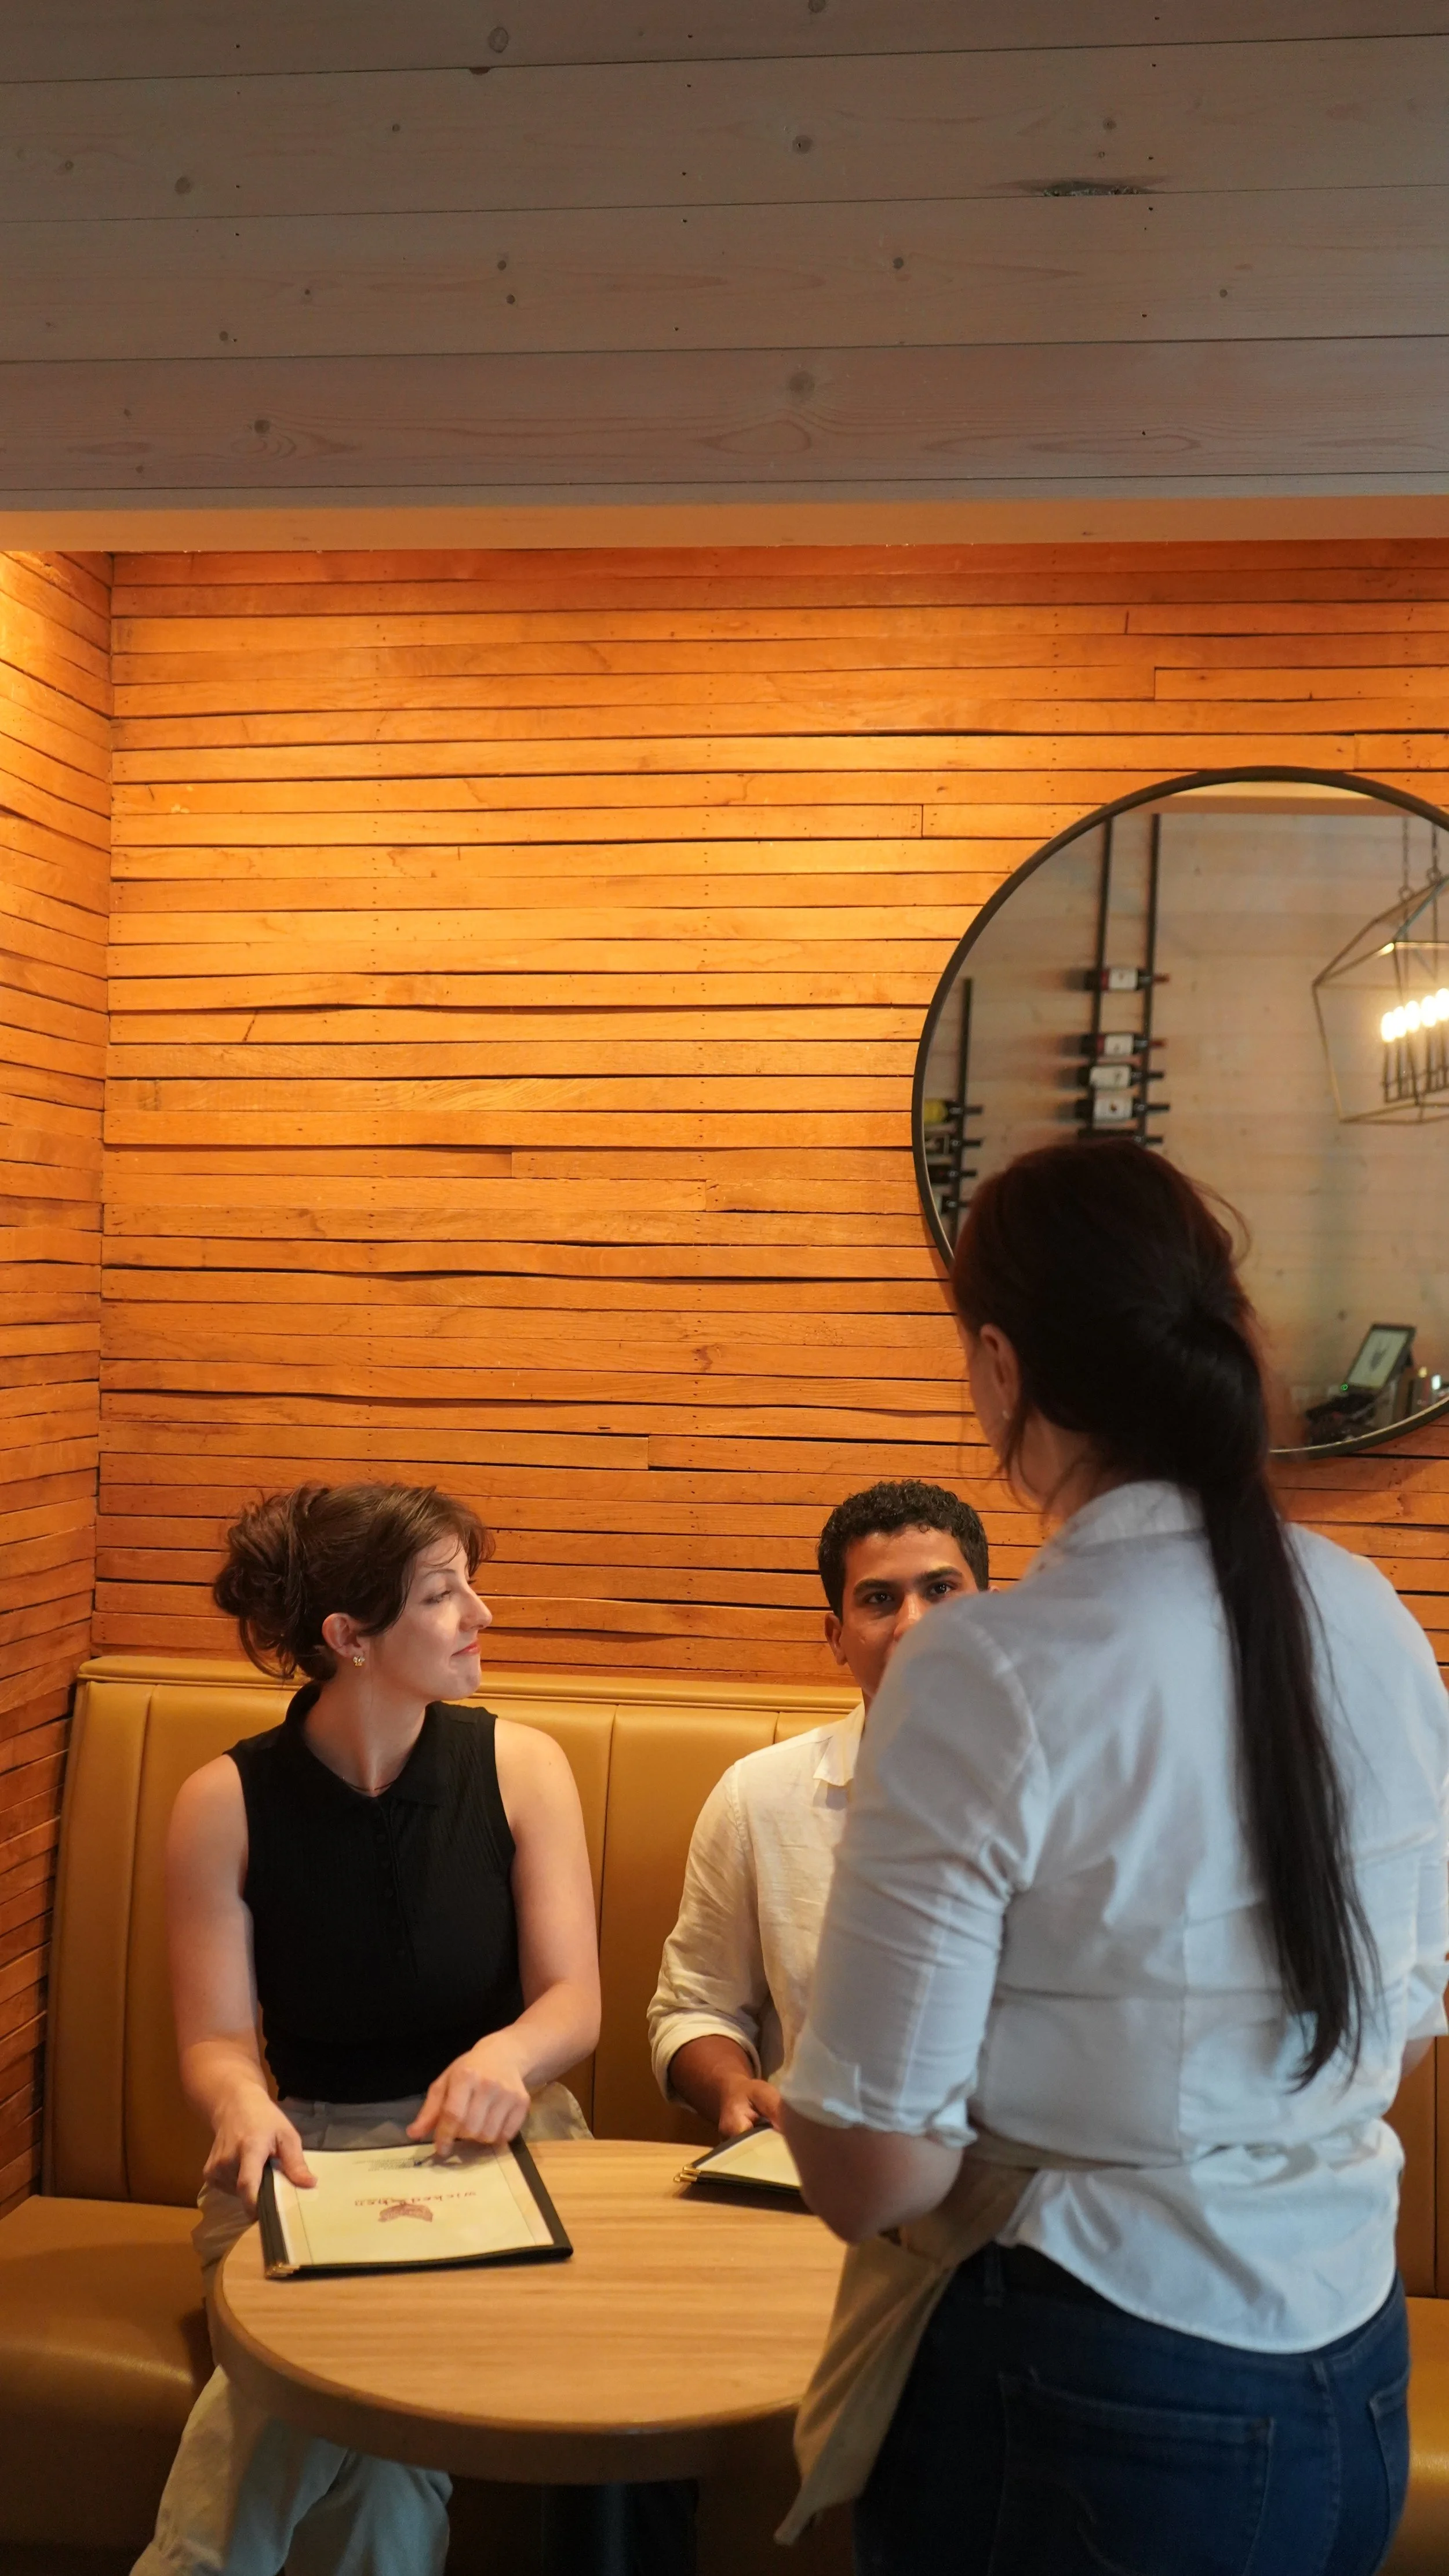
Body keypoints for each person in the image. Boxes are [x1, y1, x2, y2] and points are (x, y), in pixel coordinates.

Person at [780, 1140, 1449, 2576]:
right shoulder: (1373, 1612)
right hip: (1355, 2365)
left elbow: (871, 2167)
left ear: (1001, 1366)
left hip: (1097, 2386)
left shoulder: (985, 1667)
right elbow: (1407, 2004)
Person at [133, 1480, 600, 2576]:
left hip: (493, 2152)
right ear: (349, 1637)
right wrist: (241, 2100)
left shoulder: (522, 1765)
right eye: (443, 1595)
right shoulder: (224, 1799)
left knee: (336, 2373)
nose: (481, 1615)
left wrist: (505, 2055)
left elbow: (573, 1998)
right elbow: (212, 2038)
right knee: (379, 2432)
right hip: (303, 2161)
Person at [649, 1480, 989, 2139]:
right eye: (880, 1600)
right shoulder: (759, 1797)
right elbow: (695, 2009)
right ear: (837, 1637)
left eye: (942, 1591)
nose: (913, 1623)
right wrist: (729, 2084)